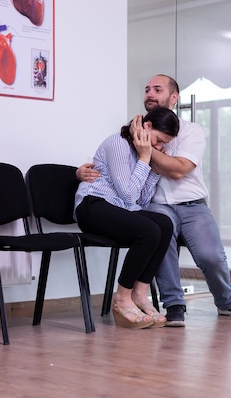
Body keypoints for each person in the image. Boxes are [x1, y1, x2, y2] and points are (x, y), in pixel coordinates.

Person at [78, 74, 231, 327]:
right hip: (144, 203)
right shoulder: (126, 139)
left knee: (209, 255)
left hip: (189, 203)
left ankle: (226, 301)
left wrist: (148, 153)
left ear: (173, 97)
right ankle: (169, 304)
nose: (150, 94)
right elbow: (123, 188)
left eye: (158, 89)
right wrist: (82, 172)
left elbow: (178, 169)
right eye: (147, 89)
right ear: (148, 126)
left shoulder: (188, 131)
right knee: (159, 227)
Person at [74, 107, 179, 329]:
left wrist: (153, 170)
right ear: (147, 127)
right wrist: (145, 157)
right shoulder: (118, 144)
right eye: (159, 140)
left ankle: (140, 294)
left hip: (119, 208)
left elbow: (138, 202)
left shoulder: (141, 153)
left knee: (164, 224)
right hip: (93, 205)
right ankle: (122, 298)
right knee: (148, 231)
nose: (159, 148)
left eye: (163, 145)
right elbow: (128, 194)